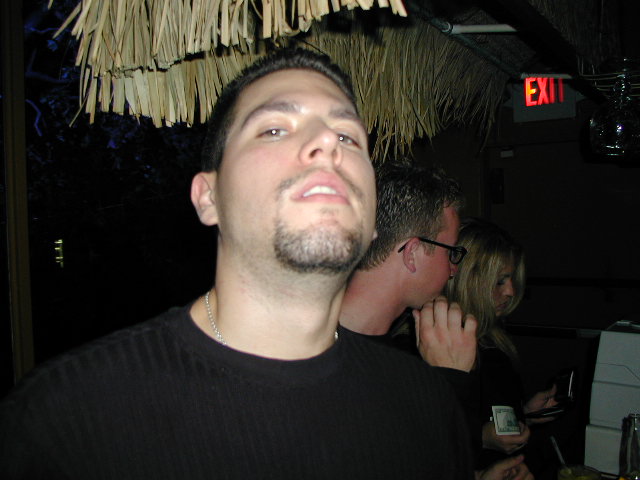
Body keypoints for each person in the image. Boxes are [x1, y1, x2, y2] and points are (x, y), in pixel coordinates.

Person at [0, 48, 473, 479]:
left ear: (371, 222)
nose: (328, 144)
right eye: (273, 129)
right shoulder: (67, 419)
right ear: (209, 198)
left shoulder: (427, 402)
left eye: (349, 138)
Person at [340, 163, 534, 480]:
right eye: (452, 253)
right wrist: (450, 380)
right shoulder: (318, 358)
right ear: (413, 253)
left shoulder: (380, 349)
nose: (454, 269)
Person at [444, 217, 558, 474]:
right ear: (468, 280)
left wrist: (524, 415)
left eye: (511, 279)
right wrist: (481, 437)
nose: (510, 291)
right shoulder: (433, 347)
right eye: (499, 281)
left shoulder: (492, 339)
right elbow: (421, 442)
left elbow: (487, 410)